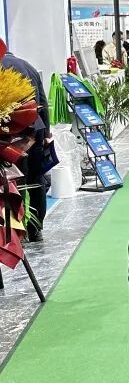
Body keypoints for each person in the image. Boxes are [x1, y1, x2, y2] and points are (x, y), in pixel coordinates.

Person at [2, 47, 50, 242]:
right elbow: (43, 104)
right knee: (36, 178)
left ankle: (18, 232)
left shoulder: (2, 67)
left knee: (15, 181)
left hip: (10, 134)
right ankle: (36, 229)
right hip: (35, 130)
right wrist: (46, 133)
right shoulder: (28, 66)